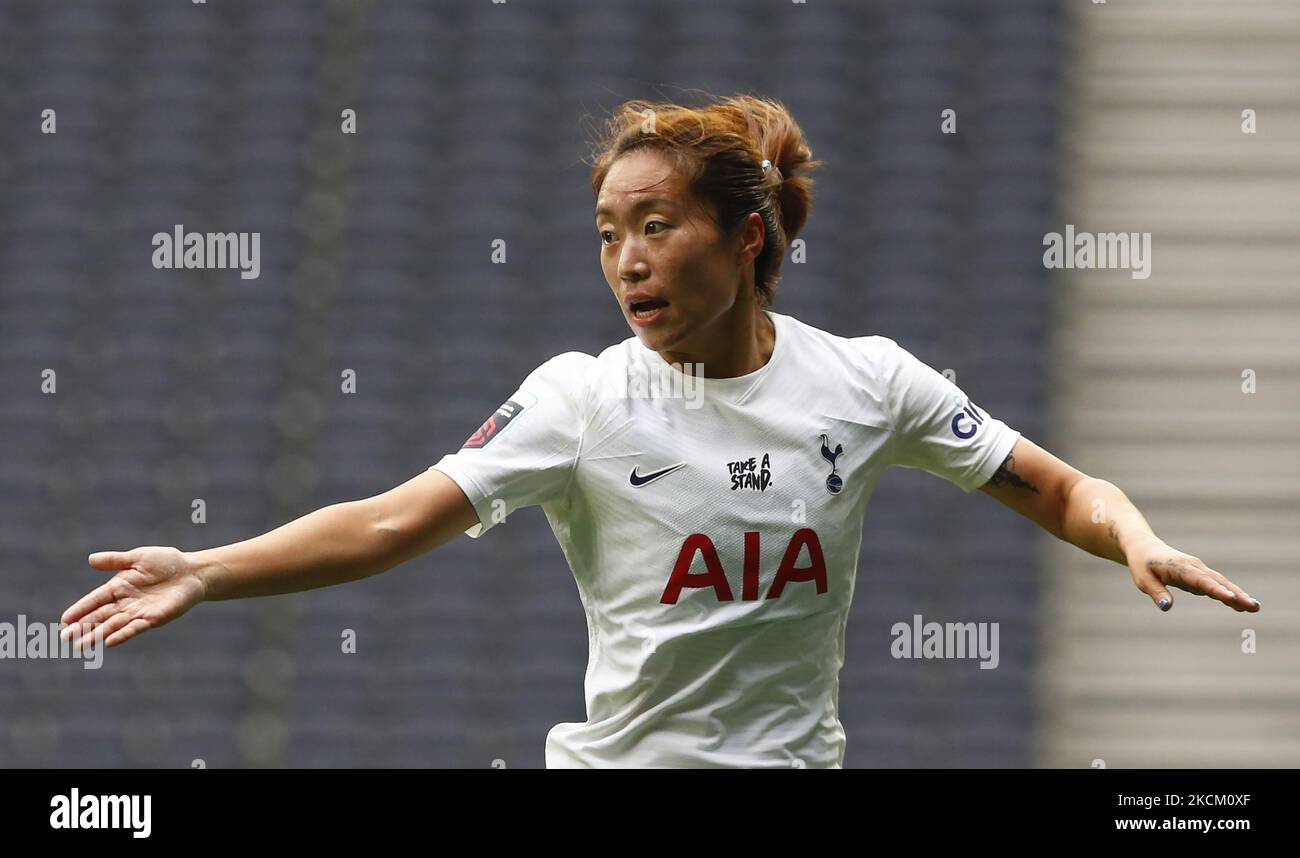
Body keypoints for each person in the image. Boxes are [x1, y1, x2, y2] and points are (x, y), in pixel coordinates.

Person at [62, 94, 1259, 768]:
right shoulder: (581, 398)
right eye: (604, 230)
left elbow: (1054, 488)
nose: (626, 259)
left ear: (746, 238)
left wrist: (1131, 534)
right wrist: (207, 570)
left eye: (656, 224)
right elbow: (386, 520)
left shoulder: (867, 380)